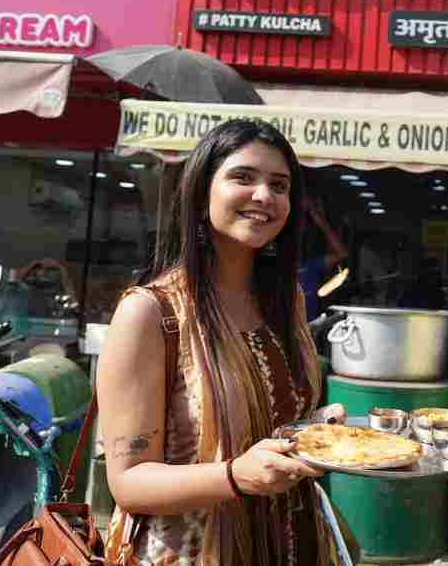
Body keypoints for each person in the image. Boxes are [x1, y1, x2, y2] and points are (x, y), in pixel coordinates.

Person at [96, 119, 345, 566]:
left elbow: (272, 426)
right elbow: (129, 482)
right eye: (243, 177)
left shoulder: (286, 302)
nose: (263, 196)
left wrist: (317, 429)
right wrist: (235, 476)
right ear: (201, 192)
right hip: (188, 551)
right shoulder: (151, 312)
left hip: (290, 545)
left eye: (279, 185)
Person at [299, 193, 349, 320]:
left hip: (308, 323)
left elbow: (341, 253)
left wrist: (319, 220)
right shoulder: (273, 263)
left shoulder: (308, 265)